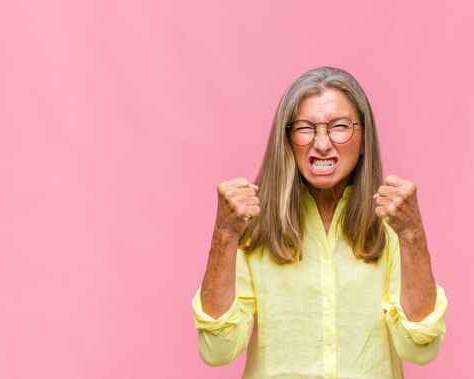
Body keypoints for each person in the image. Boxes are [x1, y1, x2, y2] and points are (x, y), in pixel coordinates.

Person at [192, 66, 448, 378]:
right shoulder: (253, 227)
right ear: (286, 139)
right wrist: (224, 235)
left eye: (339, 126)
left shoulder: (391, 225)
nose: (322, 143)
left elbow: (421, 350)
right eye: (305, 128)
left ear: (364, 138)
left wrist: (412, 235)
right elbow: (216, 351)